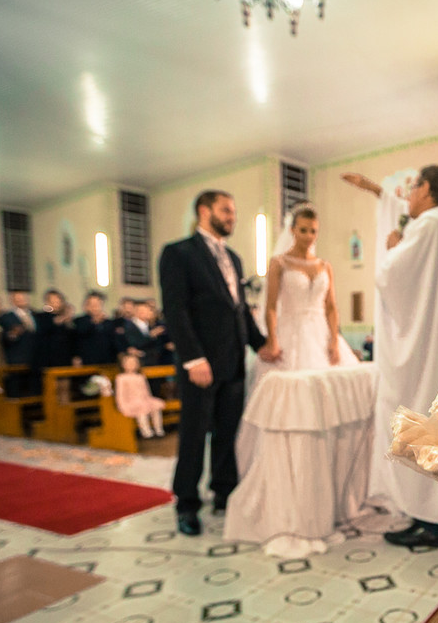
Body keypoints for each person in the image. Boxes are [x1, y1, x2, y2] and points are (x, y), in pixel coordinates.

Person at [159, 189, 272, 536]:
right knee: (194, 434)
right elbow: (176, 310)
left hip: (234, 360)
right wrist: (193, 359)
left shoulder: (233, 259)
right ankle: (187, 502)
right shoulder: (179, 254)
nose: (232, 217)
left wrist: (263, 345)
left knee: (227, 432)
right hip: (201, 365)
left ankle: (223, 491)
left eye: (233, 211)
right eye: (226, 210)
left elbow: (239, 311)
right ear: (203, 211)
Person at [371, 165, 438, 548]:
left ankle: (432, 519)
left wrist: (394, 248)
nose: (409, 196)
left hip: (422, 348)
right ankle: (429, 515)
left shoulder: (428, 227)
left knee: (417, 423)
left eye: (412, 188)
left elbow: (391, 278)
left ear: (427, 189)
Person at [259, 205, 359, 371]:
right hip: (290, 331)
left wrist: (334, 339)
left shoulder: (325, 266)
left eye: (313, 231)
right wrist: (272, 339)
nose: (309, 236)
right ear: (292, 230)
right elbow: (271, 307)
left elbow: (331, 306)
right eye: (303, 230)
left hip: (322, 332)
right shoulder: (279, 263)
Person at [114, 351, 165, 439]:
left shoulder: (140, 376)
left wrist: (148, 399)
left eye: (134, 363)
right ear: (123, 365)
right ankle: (146, 432)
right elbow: (120, 394)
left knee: (156, 407)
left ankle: (159, 429)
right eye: (129, 363)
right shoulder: (121, 378)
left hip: (144, 399)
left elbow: (146, 390)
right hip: (131, 402)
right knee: (142, 411)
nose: (132, 365)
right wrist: (122, 405)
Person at [72, 291, 118, 366]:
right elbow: (78, 336)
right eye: (92, 305)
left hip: (107, 361)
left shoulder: (109, 322)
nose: (95, 307)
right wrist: (94, 321)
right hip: (86, 361)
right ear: (86, 306)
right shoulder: (79, 321)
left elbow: (113, 341)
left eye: (97, 304)